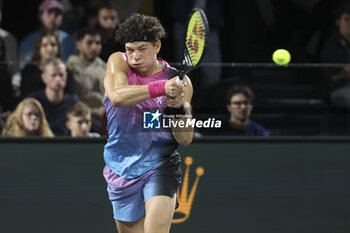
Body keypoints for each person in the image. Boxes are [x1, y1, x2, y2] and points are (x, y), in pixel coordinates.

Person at [103, 13, 194, 233]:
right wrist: (161, 88)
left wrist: (176, 107)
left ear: (157, 46)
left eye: (142, 48)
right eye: (130, 49)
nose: (134, 56)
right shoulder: (118, 61)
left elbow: (185, 139)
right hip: (120, 165)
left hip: (160, 164)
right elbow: (117, 96)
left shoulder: (182, 82)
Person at [66, 27, 106, 133]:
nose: (94, 47)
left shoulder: (106, 68)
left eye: (98, 43)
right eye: (89, 43)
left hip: (106, 117)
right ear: (78, 45)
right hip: (81, 118)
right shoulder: (70, 68)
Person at [29, 57, 79, 136]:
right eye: (53, 75)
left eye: (61, 75)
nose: (58, 79)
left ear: (66, 76)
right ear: (44, 77)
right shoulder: (33, 101)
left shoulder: (73, 102)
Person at [18, 0, 75, 69]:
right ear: (40, 15)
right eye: (49, 13)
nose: (53, 18)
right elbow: (23, 67)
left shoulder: (69, 40)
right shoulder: (28, 41)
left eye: (57, 14)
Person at [21, 32, 75, 98]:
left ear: (58, 48)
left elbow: (70, 96)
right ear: (38, 49)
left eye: (53, 45)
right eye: (45, 45)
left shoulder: (66, 71)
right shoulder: (29, 71)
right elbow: (24, 96)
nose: (49, 49)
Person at [320, 2, 350, 107]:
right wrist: (343, 73)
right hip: (340, 89)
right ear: (338, 22)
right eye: (346, 19)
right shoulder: (331, 44)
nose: (349, 23)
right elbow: (335, 76)